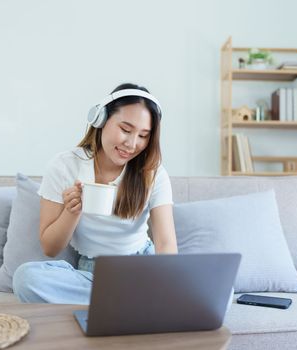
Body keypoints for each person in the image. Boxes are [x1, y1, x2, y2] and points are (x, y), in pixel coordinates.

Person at [13, 83, 177, 304]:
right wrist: (71, 212)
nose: (132, 144)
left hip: (141, 268)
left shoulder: (153, 173)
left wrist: (167, 281)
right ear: (100, 120)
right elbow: (50, 248)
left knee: (220, 292)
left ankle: (114, 303)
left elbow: (166, 244)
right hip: (92, 273)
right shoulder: (65, 166)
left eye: (143, 135)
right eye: (126, 130)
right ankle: (132, 303)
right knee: (26, 278)